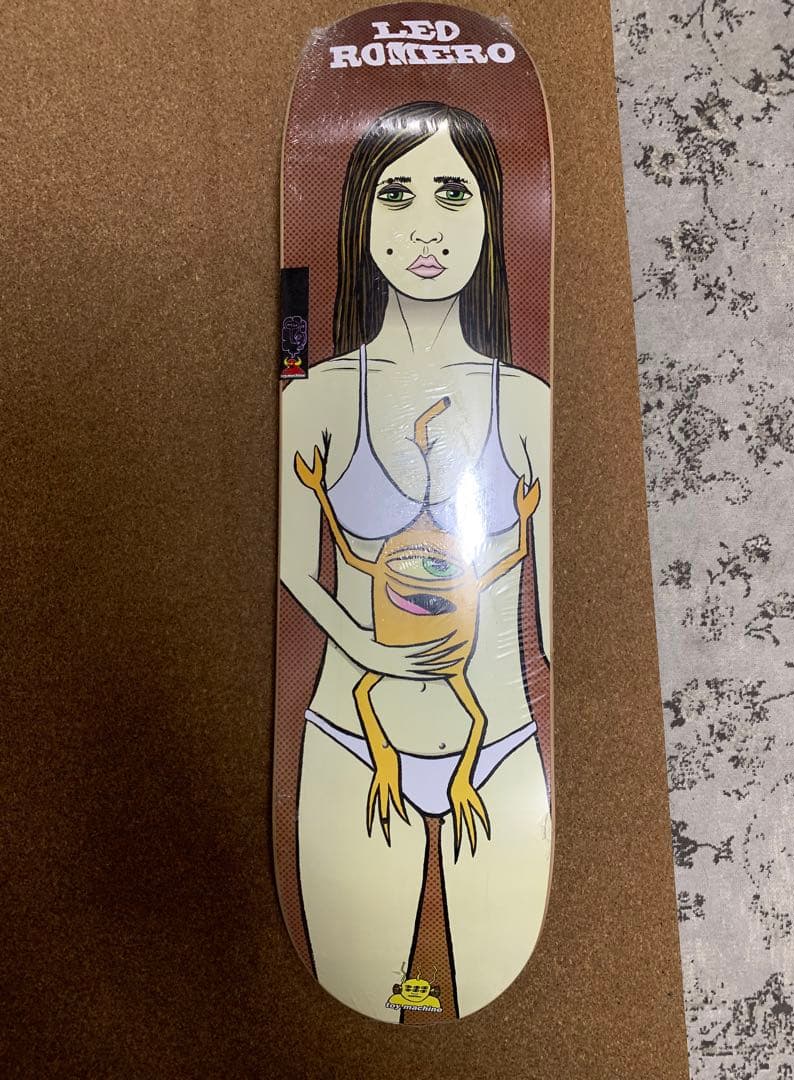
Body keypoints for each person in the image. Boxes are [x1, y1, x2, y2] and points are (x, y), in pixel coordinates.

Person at [279, 101, 552, 1020]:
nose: (426, 228)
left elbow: (546, 607)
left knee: (493, 1024)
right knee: (349, 1023)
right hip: (352, 738)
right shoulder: (317, 393)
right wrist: (366, 646)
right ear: (358, 220)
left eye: (453, 194)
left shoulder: (523, 402)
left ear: (491, 217)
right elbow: (297, 568)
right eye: (396, 196)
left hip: (500, 744)